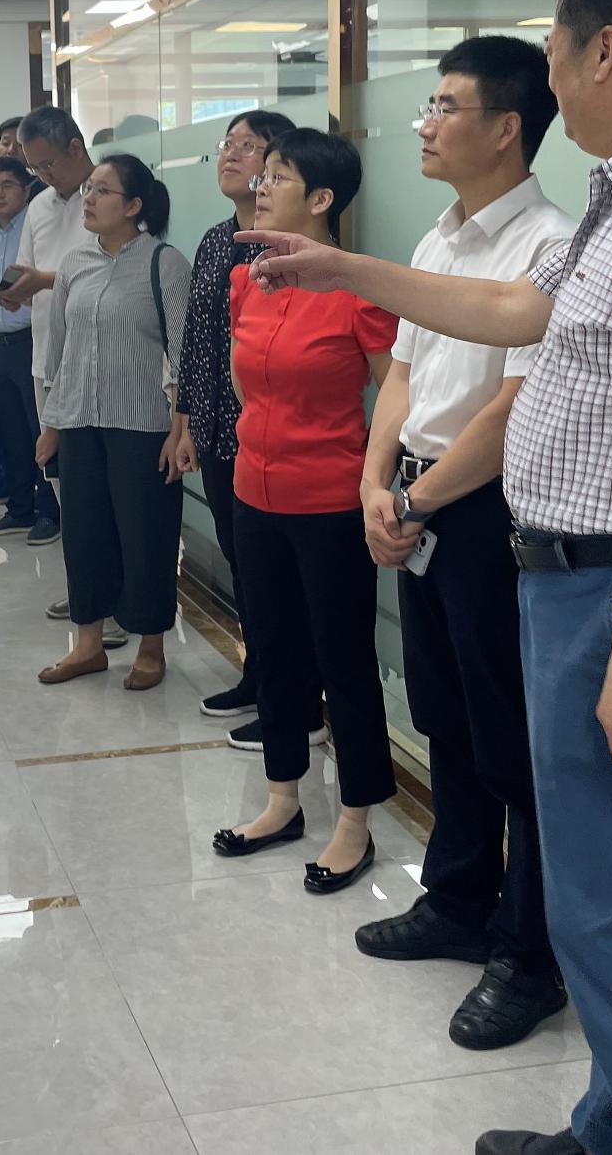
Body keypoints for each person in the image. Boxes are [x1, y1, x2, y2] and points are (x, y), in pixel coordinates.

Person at [238, 0, 612, 1155]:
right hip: (589, 585)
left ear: (602, 49)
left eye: (550, 49)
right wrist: (345, 270)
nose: (546, 76)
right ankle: (608, 1136)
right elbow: (513, 308)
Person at [353, 37, 577, 1053]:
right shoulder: (438, 238)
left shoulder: (548, 245)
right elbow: (402, 376)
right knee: (443, 713)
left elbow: (513, 410)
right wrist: (376, 483)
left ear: (506, 127)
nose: (426, 123)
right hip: (420, 497)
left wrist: (416, 499)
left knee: (511, 740)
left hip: (489, 511)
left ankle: (529, 957)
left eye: (446, 106)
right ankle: (456, 901)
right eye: (428, 105)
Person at [210, 129, 398, 895]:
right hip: (255, 494)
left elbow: (395, 395)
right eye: (263, 175)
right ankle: (282, 799)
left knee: (343, 663)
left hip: (330, 503)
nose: (260, 186)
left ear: (321, 199)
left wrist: (377, 482)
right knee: (272, 649)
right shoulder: (247, 281)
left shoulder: (360, 291)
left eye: (278, 177)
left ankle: (355, 819)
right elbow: (244, 384)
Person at [170, 110, 321, 754]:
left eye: (248, 146)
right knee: (246, 569)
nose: (231, 155)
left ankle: (296, 701)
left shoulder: (290, 247)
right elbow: (196, 340)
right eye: (226, 143)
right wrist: (184, 423)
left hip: (272, 440)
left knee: (280, 582)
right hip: (217, 433)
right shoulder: (215, 241)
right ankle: (260, 677)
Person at [33, 154, 192, 691]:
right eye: (89, 189)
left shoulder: (164, 264)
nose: (89, 198)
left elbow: (183, 356)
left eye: (103, 190)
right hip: (80, 423)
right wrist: (52, 424)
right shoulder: (74, 263)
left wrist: (179, 431)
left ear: (133, 205)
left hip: (143, 427)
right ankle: (88, 646)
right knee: (84, 535)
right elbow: (59, 353)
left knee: (146, 537)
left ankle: (150, 647)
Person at [1, 108, 125, 644]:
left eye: (48, 164)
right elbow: (30, 268)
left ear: (76, 147)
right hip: (48, 359)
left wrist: (46, 279)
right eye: (35, 167)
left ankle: (118, 603)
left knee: (106, 490)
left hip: (103, 365)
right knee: (65, 486)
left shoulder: (115, 196)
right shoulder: (39, 206)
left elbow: (119, 271)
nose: (43, 175)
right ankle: (87, 596)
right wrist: (16, 288)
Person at [0, 157, 61, 541]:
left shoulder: (35, 229)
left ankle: (50, 513)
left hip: (30, 342)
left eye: (8, 185)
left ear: (26, 190)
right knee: (10, 432)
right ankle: (20, 509)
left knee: (40, 430)